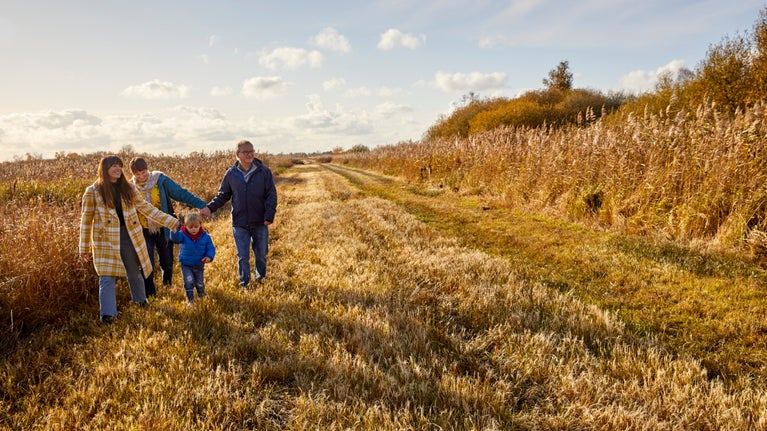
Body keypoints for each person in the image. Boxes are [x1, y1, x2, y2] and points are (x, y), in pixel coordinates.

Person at [79, 155, 180, 324]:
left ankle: (141, 301)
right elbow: (86, 220)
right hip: (104, 240)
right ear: (104, 169)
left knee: (133, 270)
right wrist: (84, 248)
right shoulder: (93, 191)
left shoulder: (128, 188)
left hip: (127, 235)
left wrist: (170, 221)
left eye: (119, 165)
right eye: (113, 166)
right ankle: (108, 315)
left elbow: (146, 208)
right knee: (106, 276)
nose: (118, 169)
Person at [199, 140, 277, 287]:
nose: (249, 154)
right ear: (237, 155)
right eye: (245, 152)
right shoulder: (231, 174)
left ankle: (261, 279)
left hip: (260, 221)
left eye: (251, 151)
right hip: (240, 222)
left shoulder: (264, 172)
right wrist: (210, 208)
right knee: (243, 256)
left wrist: (269, 215)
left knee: (260, 254)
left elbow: (271, 195)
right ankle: (245, 283)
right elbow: (223, 195)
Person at [128, 157, 207, 297]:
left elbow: (180, 193)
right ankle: (149, 294)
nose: (141, 177)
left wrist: (201, 204)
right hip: (143, 229)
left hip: (164, 227)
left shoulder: (160, 180)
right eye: (138, 174)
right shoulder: (130, 188)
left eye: (144, 173)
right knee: (147, 262)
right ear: (133, 174)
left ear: (148, 169)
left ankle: (167, 284)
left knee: (167, 261)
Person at [169, 212, 216, 304]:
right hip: (186, 264)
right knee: (189, 281)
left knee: (199, 283)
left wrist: (209, 257)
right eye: (190, 227)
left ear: (200, 225)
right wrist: (173, 231)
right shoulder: (182, 235)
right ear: (185, 226)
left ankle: (201, 296)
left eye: (196, 227)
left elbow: (210, 248)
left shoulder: (205, 237)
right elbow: (175, 239)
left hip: (199, 264)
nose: (193, 229)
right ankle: (190, 300)